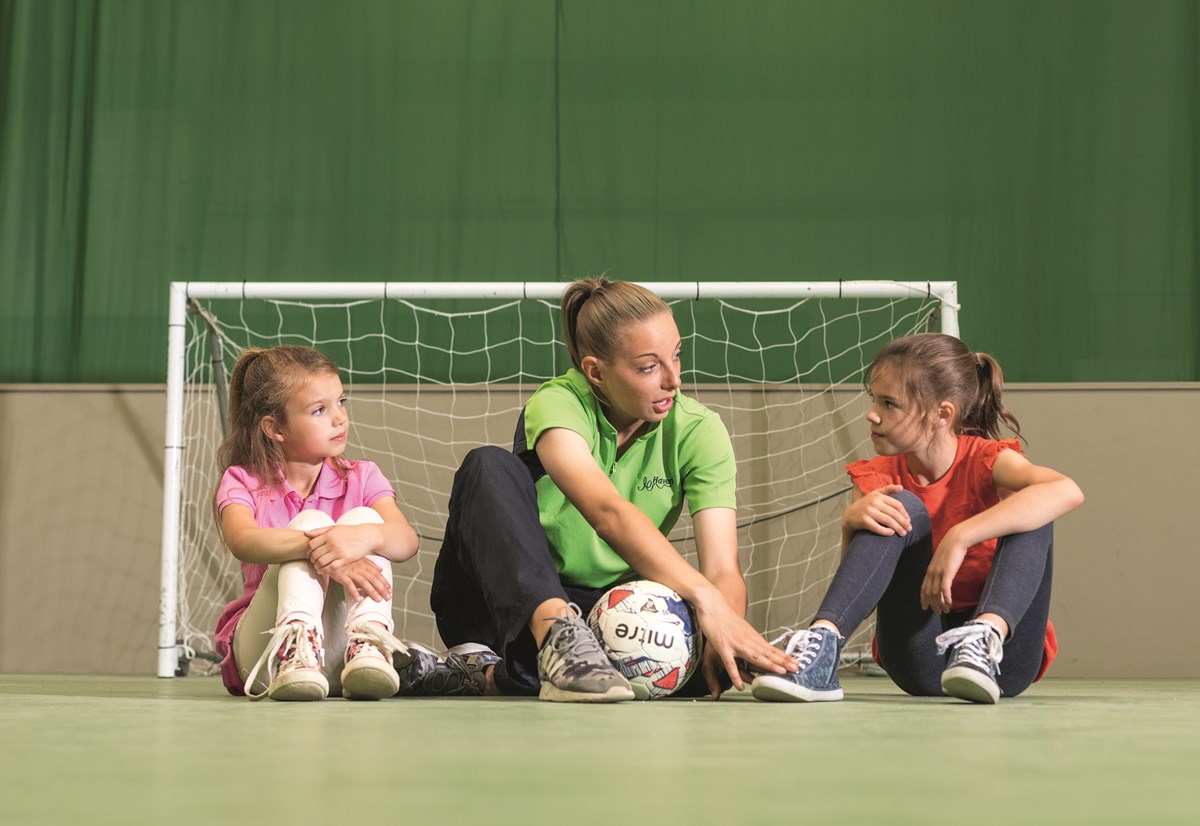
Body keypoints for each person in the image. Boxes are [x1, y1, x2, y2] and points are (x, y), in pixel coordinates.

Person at [422, 277, 796, 702]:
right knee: (487, 465)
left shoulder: (699, 430)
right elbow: (606, 512)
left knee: (708, 667)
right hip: (505, 607)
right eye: (648, 367)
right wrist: (706, 599)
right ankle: (553, 645)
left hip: (603, 612)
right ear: (595, 371)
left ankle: (482, 677)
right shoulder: (558, 403)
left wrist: (723, 627)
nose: (673, 379)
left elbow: (723, 568)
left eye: (676, 356)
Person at [752, 333, 1084, 704]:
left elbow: (1067, 490)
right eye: (874, 399)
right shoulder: (878, 477)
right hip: (919, 657)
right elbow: (863, 593)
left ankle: (983, 635)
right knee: (899, 506)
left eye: (890, 404)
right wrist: (850, 524)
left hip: (1004, 660)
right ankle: (822, 648)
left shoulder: (988, 460)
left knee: (1035, 504)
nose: (872, 413)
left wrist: (960, 535)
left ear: (942, 414)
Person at [212, 345, 421, 701]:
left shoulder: (362, 476)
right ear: (275, 427)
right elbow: (242, 540)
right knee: (310, 521)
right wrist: (327, 548)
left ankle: (369, 645)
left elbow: (405, 540)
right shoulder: (243, 480)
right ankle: (294, 649)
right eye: (319, 410)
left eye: (342, 402)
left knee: (368, 522)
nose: (339, 418)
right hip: (263, 659)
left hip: (337, 656)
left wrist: (358, 539)